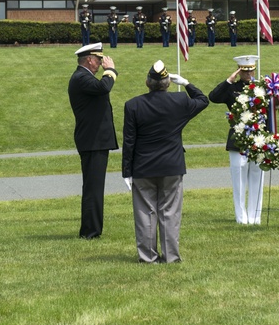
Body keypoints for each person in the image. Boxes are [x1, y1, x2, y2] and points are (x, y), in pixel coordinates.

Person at [122, 60, 208, 263]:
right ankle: (171, 256)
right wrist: (186, 83)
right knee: (170, 212)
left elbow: (129, 141)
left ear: (147, 82)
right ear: (168, 83)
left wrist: (127, 170)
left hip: (143, 166)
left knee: (145, 213)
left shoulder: (133, 105)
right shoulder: (180, 101)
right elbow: (203, 100)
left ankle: (148, 256)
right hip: (171, 165)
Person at [68, 42, 119, 239]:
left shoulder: (83, 77)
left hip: (95, 141)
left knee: (94, 187)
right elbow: (103, 87)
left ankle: (91, 229)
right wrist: (111, 70)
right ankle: (90, 232)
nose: (100, 63)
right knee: (93, 188)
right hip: (93, 141)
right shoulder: (81, 78)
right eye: (98, 60)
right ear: (89, 60)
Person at [208, 55, 265, 224]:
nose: (248, 74)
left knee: (257, 177)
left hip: (257, 138)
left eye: (251, 70)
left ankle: (255, 217)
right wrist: (228, 80)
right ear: (240, 72)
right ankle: (242, 218)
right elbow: (213, 97)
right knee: (239, 177)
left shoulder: (261, 88)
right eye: (245, 71)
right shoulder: (232, 88)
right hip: (238, 138)